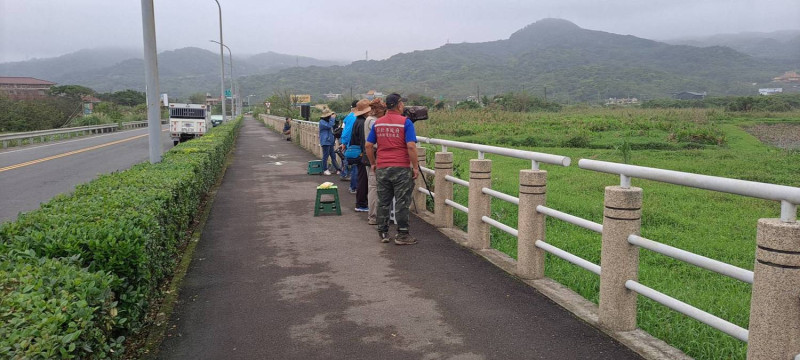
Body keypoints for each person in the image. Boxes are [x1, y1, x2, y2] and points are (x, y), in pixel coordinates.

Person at [365, 93, 419, 245]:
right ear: (399, 105)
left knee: (383, 201)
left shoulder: (378, 123)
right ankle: (402, 235)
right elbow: (411, 146)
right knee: (402, 201)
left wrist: (374, 163)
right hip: (401, 168)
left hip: (382, 167)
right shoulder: (406, 123)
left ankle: (383, 232)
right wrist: (415, 167)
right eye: (402, 103)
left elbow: (368, 146)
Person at [364, 98, 386, 225]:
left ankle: (375, 215)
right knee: (373, 186)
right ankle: (373, 216)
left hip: (372, 153)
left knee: (373, 186)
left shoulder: (369, 119)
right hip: (375, 154)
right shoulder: (372, 121)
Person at [349, 99, 372, 212]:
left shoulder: (357, 121)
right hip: (362, 155)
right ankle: (361, 204)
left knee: (361, 178)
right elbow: (364, 142)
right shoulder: (363, 122)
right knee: (364, 180)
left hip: (357, 153)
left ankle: (361, 203)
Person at [339, 100, 359, 192]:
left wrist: (343, 142)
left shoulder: (349, 116)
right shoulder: (355, 117)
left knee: (349, 163)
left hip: (348, 144)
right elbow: (348, 132)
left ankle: (351, 184)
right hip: (354, 144)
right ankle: (354, 187)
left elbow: (345, 131)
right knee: (356, 166)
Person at [318, 110, 341, 175]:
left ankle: (338, 169)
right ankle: (325, 169)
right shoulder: (322, 122)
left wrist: (336, 120)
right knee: (326, 155)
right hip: (325, 141)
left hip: (330, 141)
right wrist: (333, 118)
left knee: (333, 156)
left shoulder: (328, 121)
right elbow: (329, 126)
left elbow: (334, 126)